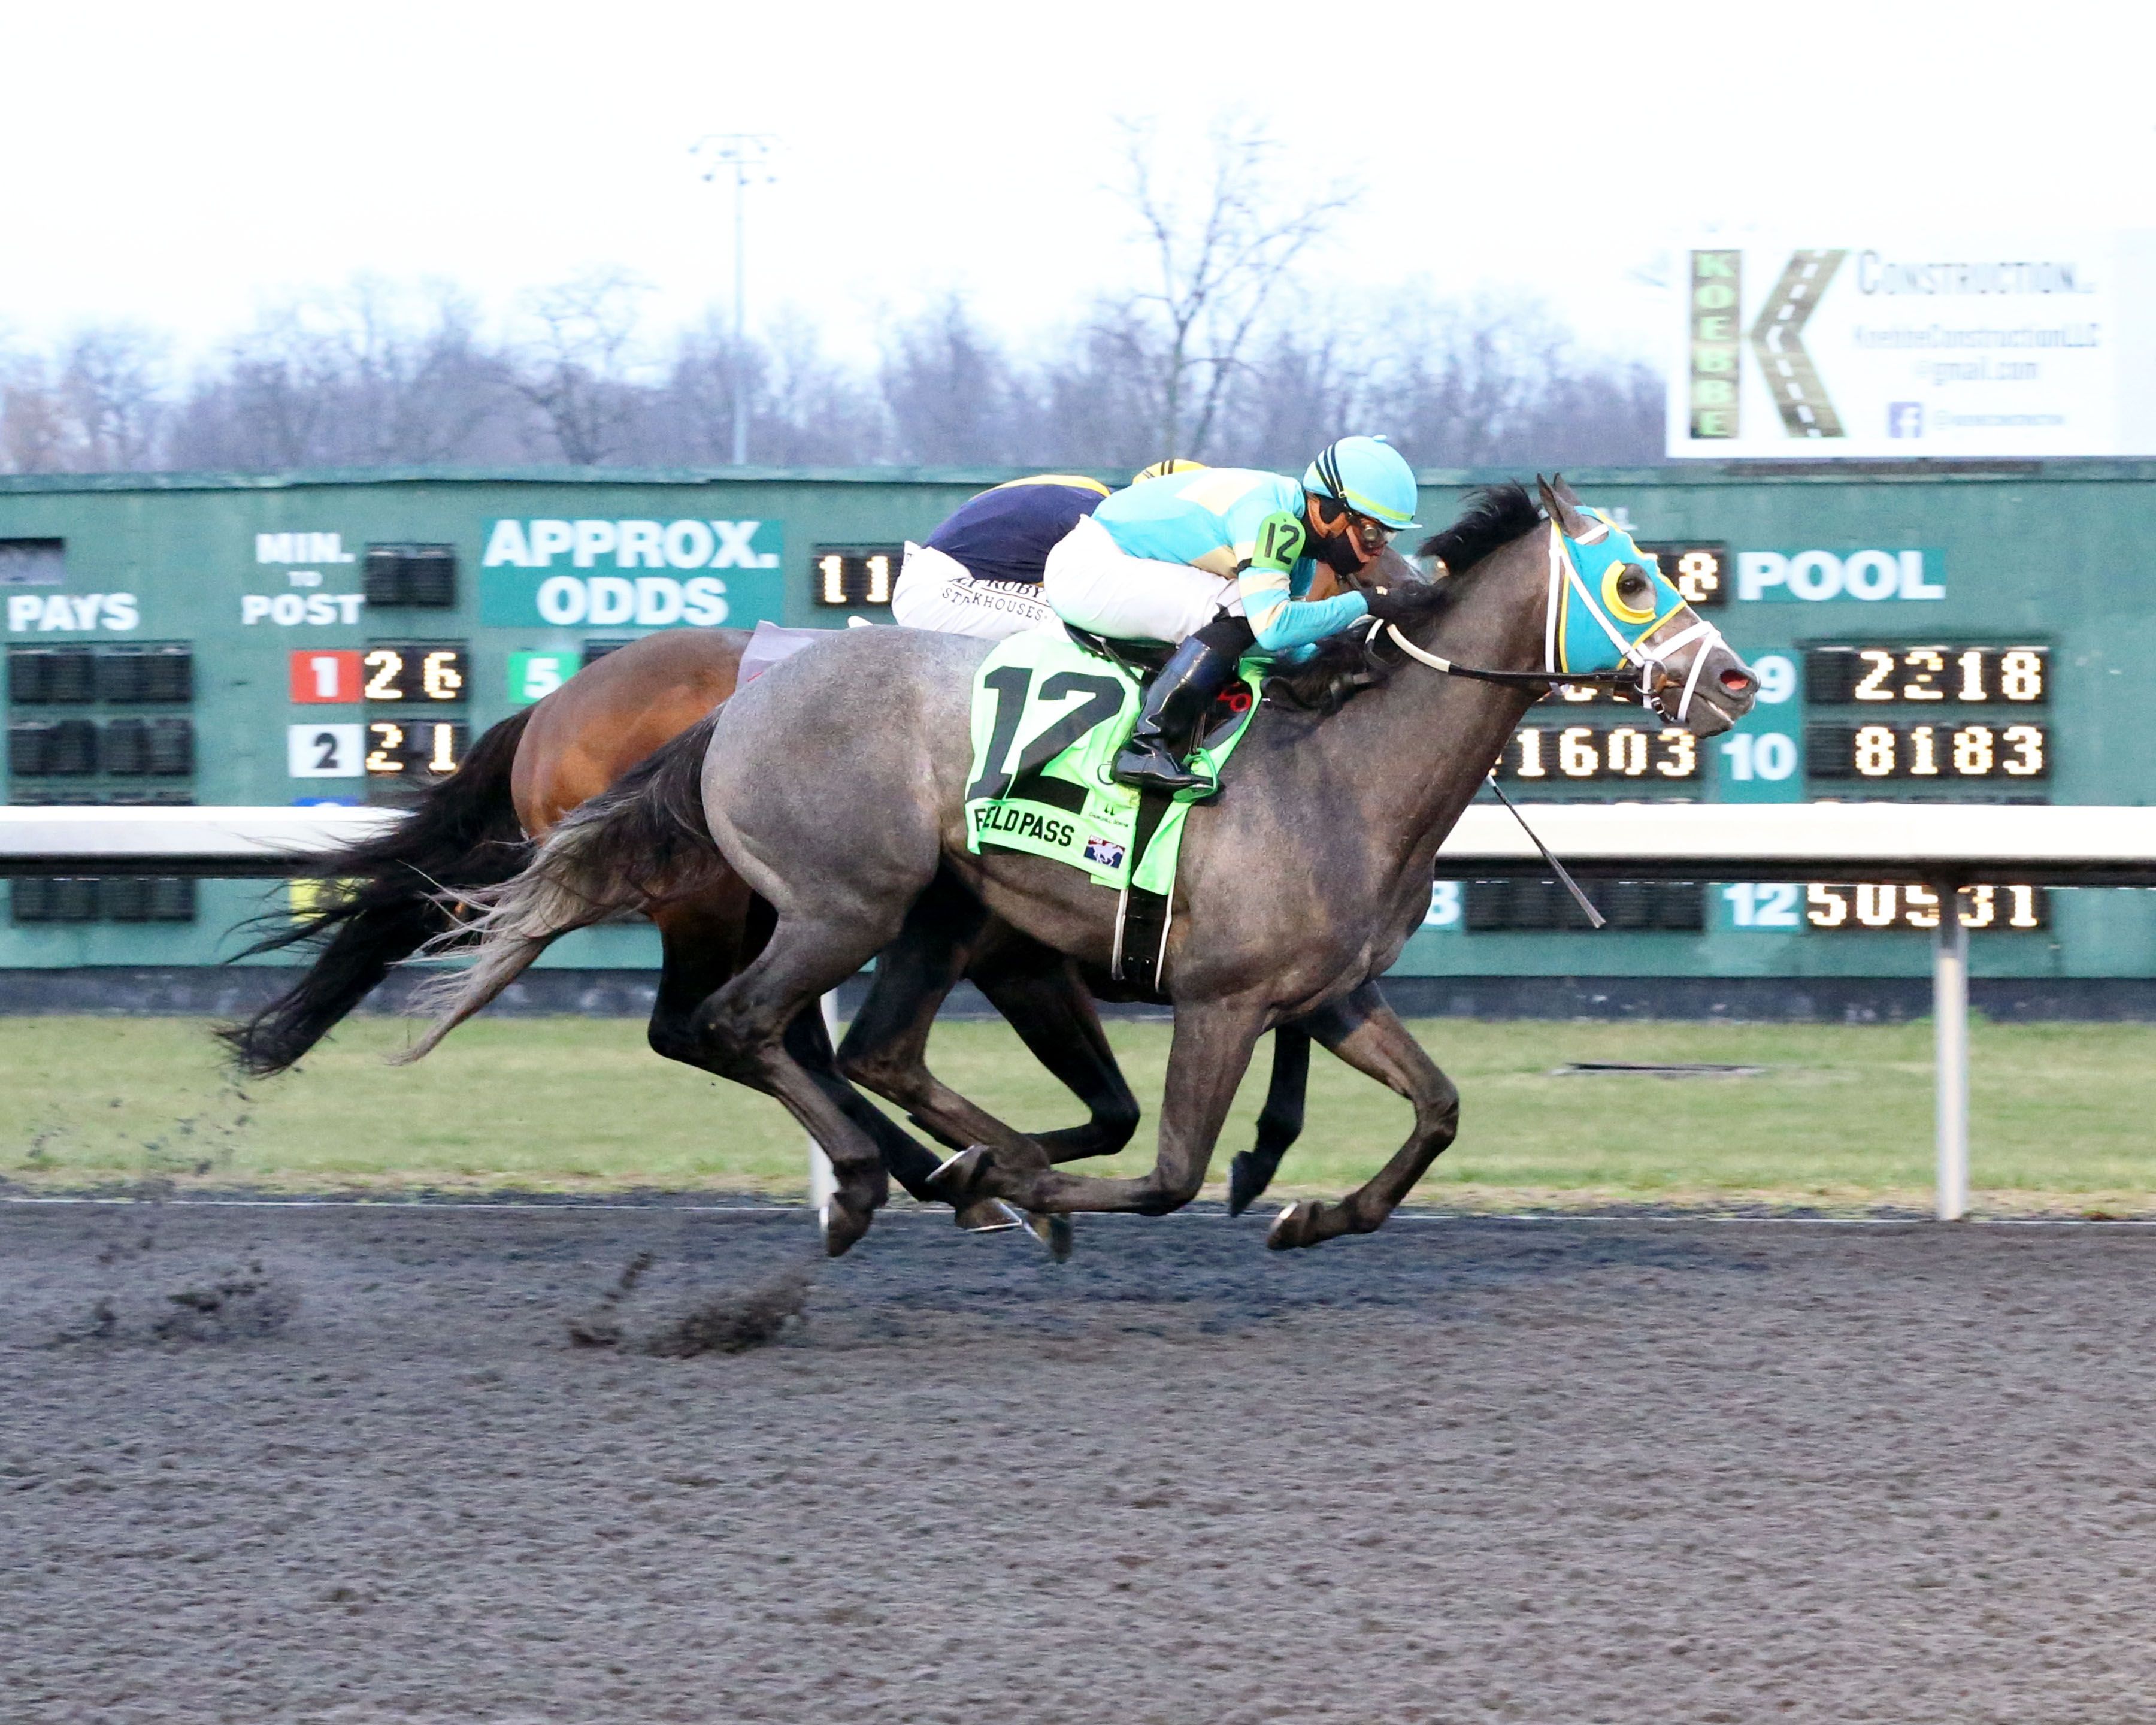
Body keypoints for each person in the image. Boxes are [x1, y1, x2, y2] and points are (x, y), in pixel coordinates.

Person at [1040, 436, 1426, 794]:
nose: (1379, 550)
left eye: (1389, 537)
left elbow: (1290, 643)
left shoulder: (1299, 540)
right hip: (1089, 569)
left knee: (1252, 618)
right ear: (1328, 511)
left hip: (1113, 562)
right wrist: (1365, 603)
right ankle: (1145, 746)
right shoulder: (1270, 517)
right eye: (1373, 533)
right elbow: (1274, 628)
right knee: (1242, 608)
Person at [889, 461, 1206, 639]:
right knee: (1087, 626)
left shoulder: (1086, 494)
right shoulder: (1096, 513)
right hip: (941, 590)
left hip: (943, 582)